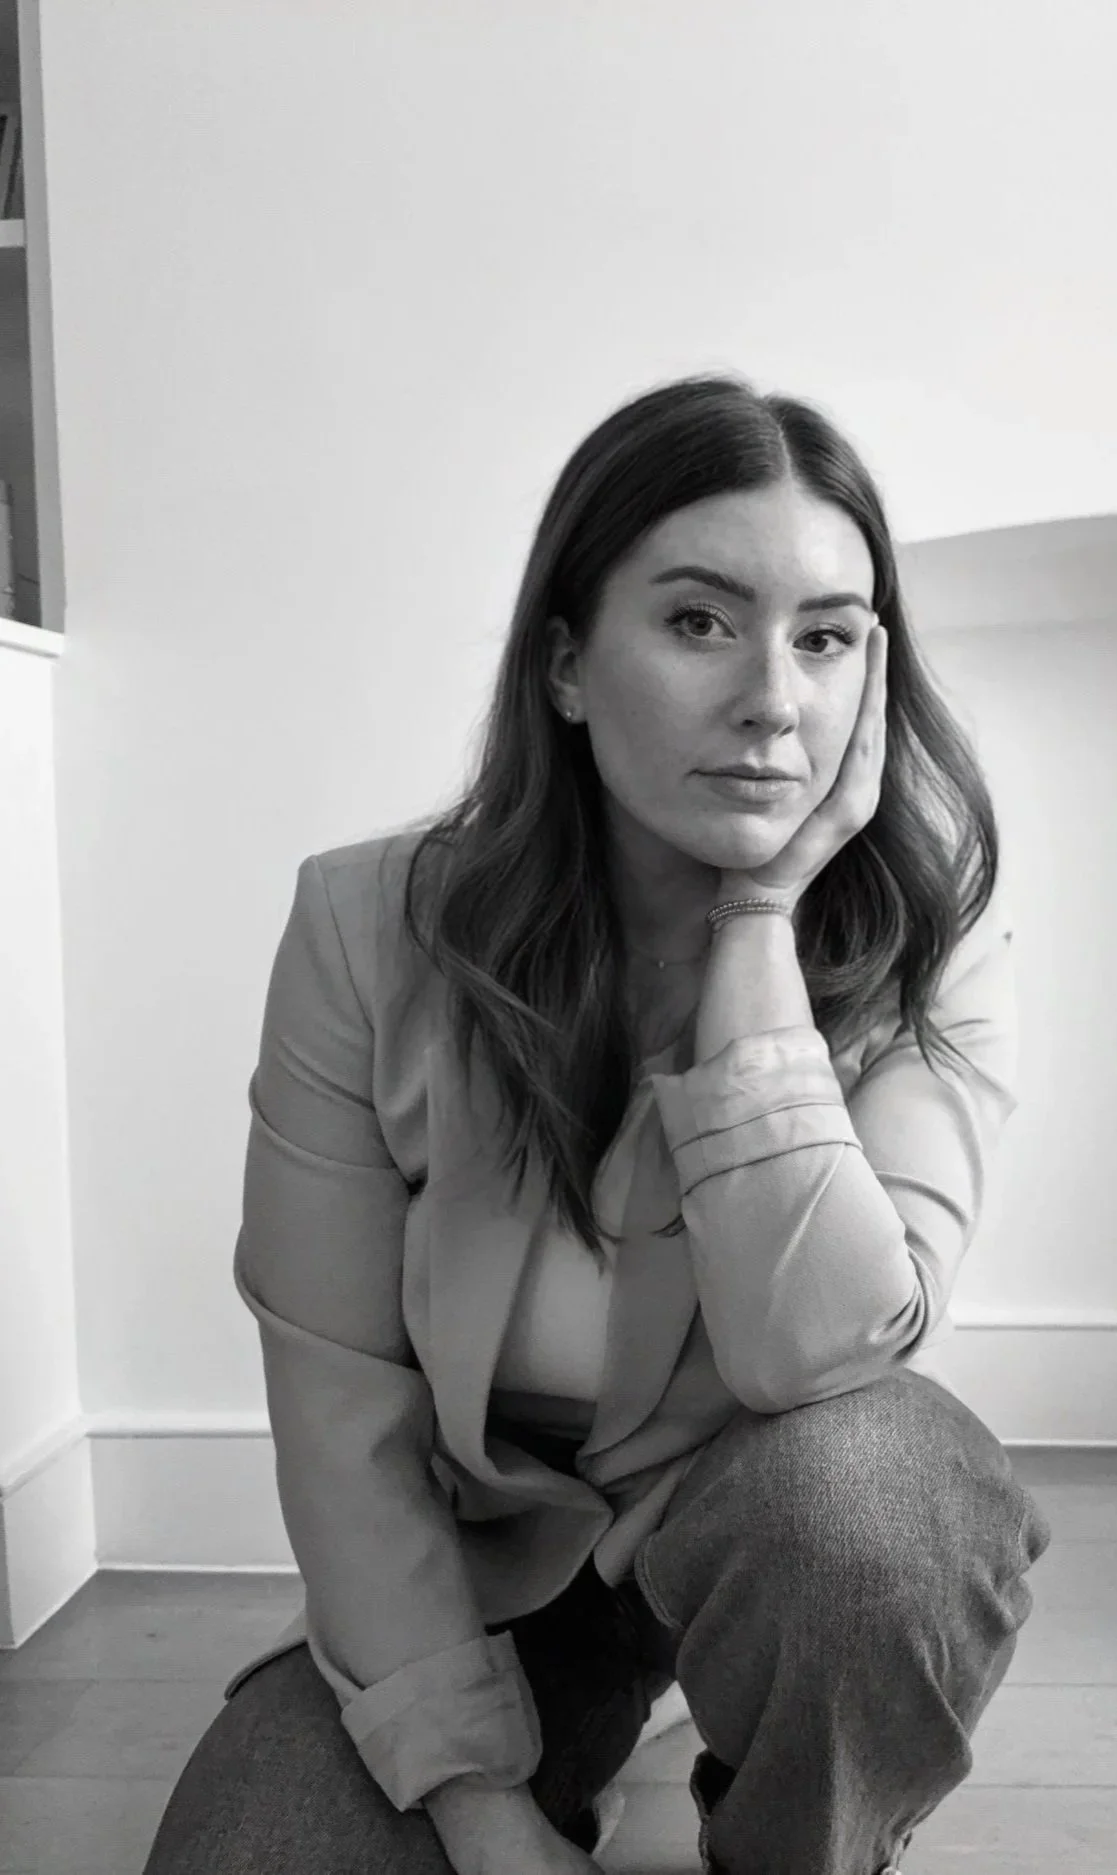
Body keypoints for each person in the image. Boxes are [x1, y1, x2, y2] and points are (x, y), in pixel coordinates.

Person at [142, 372, 1052, 1875]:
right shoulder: (365, 929)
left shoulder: (930, 941)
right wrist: (482, 1815)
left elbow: (821, 1357)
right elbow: (341, 1411)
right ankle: (561, 1743)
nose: (773, 699)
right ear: (565, 663)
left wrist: (758, 927)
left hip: (769, 1541)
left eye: (825, 638)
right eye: (699, 621)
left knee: (881, 1498)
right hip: (480, 1574)